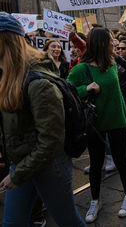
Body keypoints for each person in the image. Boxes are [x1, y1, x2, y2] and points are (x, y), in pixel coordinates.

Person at [0, 12, 86, 226]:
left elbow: (51, 142)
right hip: (22, 161)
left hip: (49, 166)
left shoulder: (38, 83)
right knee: (12, 223)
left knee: (67, 221)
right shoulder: (7, 74)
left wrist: (17, 174)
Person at [67, 27, 126, 223]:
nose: (114, 42)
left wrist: (125, 118)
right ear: (102, 43)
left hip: (117, 121)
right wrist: (85, 88)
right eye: (111, 40)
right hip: (95, 125)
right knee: (96, 164)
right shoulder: (81, 68)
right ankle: (95, 201)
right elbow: (65, 92)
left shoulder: (112, 63)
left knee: (121, 161)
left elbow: (118, 93)